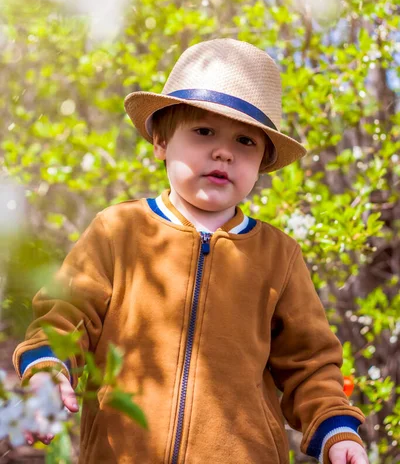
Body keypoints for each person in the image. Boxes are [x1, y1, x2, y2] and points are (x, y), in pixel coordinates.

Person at [13, 39, 369, 464]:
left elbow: (310, 363)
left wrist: (336, 427)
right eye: (203, 132)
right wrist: (49, 371)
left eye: (245, 142)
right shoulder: (119, 230)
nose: (224, 151)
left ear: (262, 162)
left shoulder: (279, 256)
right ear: (161, 142)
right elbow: (65, 315)